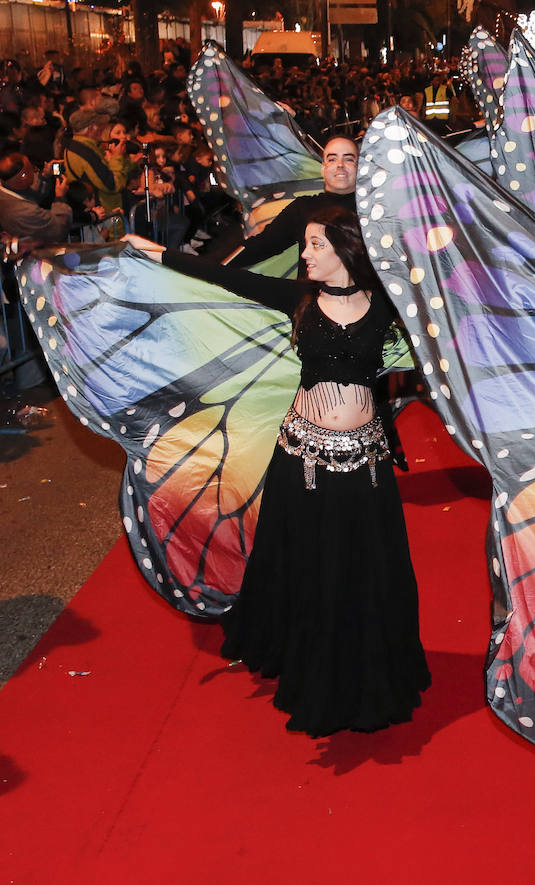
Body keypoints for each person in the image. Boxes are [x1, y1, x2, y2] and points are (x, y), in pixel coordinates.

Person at [120, 206, 431, 736]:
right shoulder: (299, 299)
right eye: (306, 244)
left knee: (362, 564)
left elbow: (451, 297)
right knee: (307, 560)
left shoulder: (386, 303)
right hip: (302, 458)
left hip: (364, 462)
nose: (304, 254)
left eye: (315, 245)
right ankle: (307, 657)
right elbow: (224, 277)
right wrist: (160, 255)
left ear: (346, 250)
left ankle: (364, 663)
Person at [226, 136, 358, 269]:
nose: (340, 165)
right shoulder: (302, 207)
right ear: (323, 169)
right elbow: (262, 245)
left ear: (360, 167)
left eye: (348, 159)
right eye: (332, 159)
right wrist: (218, 267)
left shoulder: (369, 211)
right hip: (312, 283)